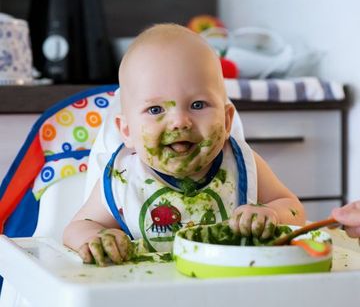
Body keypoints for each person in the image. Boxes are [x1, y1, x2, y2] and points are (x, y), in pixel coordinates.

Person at [63, 23, 305, 266]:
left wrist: (272, 214)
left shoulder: (241, 163)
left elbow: (294, 209)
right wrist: (99, 236)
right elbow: (76, 228)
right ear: (127, 131)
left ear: (227, 119)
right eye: (155, 109)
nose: (179, 122)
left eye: (198, 105)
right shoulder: (124, 177)